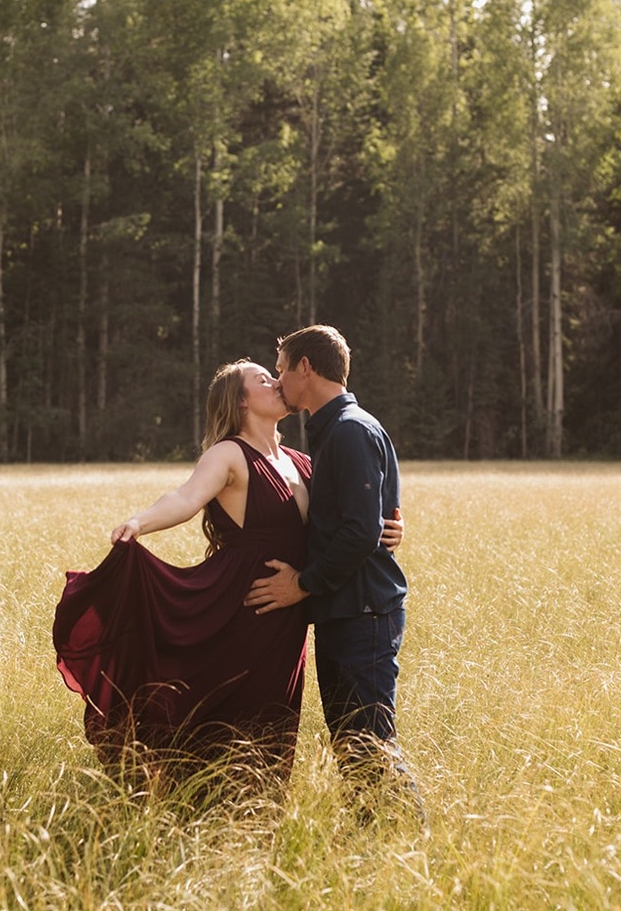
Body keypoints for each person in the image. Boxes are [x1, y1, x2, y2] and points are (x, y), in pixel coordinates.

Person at [53, 358, 402, 784]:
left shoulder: (301, 461)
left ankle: (254, 826)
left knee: (273, 722)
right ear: (239, 402)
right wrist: (140, 523)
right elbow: (186, 497)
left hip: (289, 612)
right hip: (244, 607)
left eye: (275, 374)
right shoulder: (229, 453)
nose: (276, 382)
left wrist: (389, 527)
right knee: (230, 716)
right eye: (262, 379)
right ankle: (198, 805)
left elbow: (348, 518)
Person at [244, 325, 424, 822]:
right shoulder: (334, 430)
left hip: (363, 613)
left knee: (369, 742)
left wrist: (299, 584)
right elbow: (374, 515)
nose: (278, 380)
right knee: (353, 743)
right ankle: (375, 838)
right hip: (347, 610)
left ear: (306, 367)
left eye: (281, 368)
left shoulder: (349, 430)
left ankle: (408, 840)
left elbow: (361, 532)